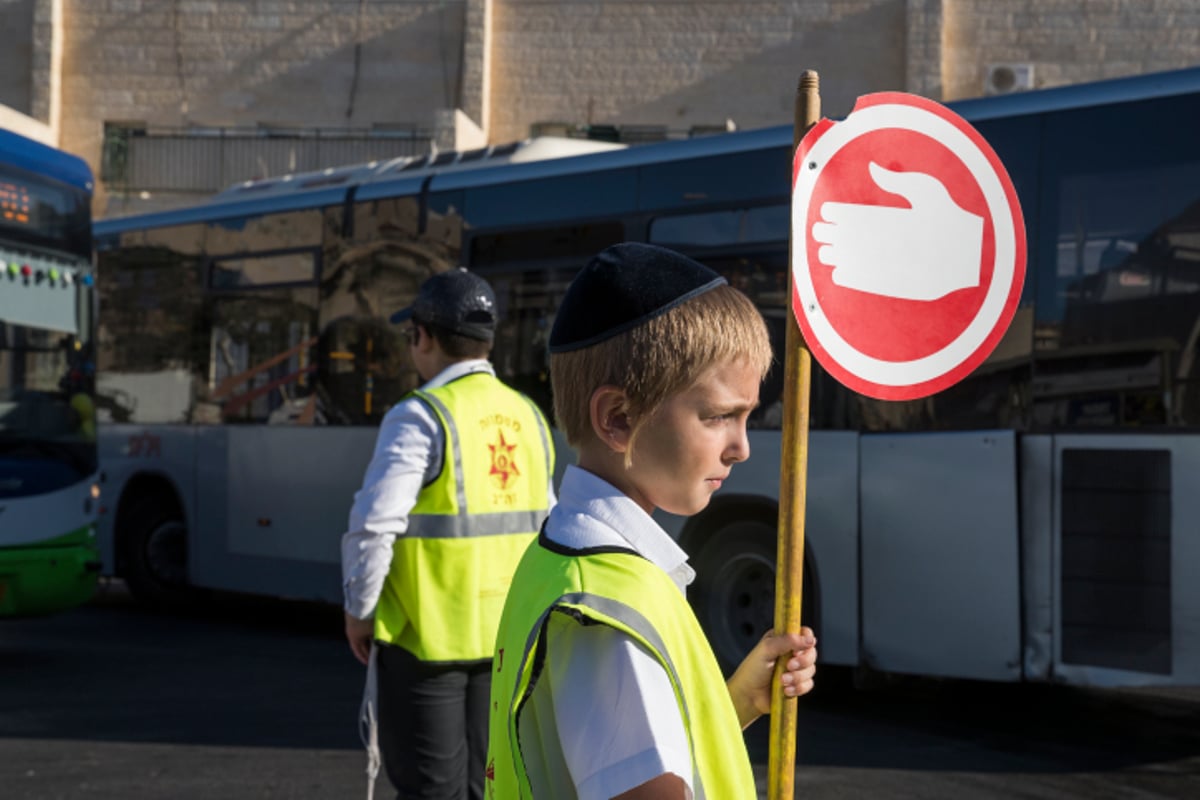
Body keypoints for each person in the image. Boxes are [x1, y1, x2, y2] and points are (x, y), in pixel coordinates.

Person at [486, 243, 818, 799]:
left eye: (747, 417)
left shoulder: (563, 560)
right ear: (618, 418)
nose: (741, 448)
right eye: (718, 417)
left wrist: (734, 702)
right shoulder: (608, 618)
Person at [341, 268, 557, 800]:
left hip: (425, 640)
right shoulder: (529, 415)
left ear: (423, 337)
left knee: (431, 790)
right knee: (492, 785)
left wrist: (360, 608)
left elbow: (374, 524)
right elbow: (549, 524)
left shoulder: (420, 416)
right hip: (508, 637)